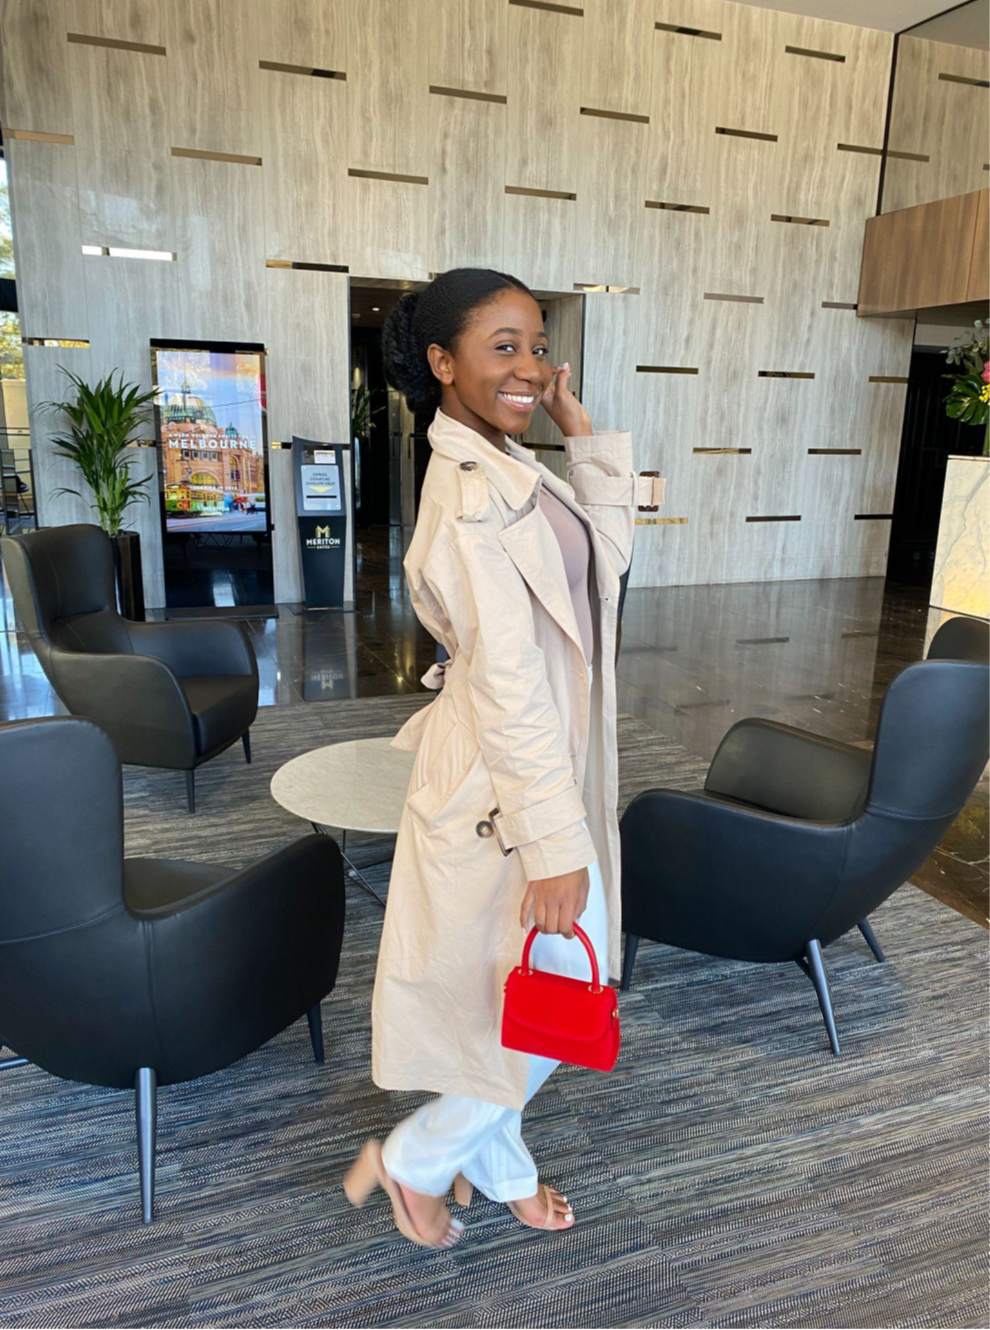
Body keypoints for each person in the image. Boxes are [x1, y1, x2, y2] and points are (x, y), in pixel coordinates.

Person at [344, 268, 662, 1248]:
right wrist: (553, 840)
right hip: (508, 784)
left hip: (536, 768)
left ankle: (501, 1163)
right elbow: (511, 685)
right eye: (502, 347)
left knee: (509, 1003)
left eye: (535, 345)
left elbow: (604, 566)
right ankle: (414, 1159)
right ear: (442, 363)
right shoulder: (470, 493)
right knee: (560, 988)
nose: (528, 367)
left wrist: (581, 431)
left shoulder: (512, 465)